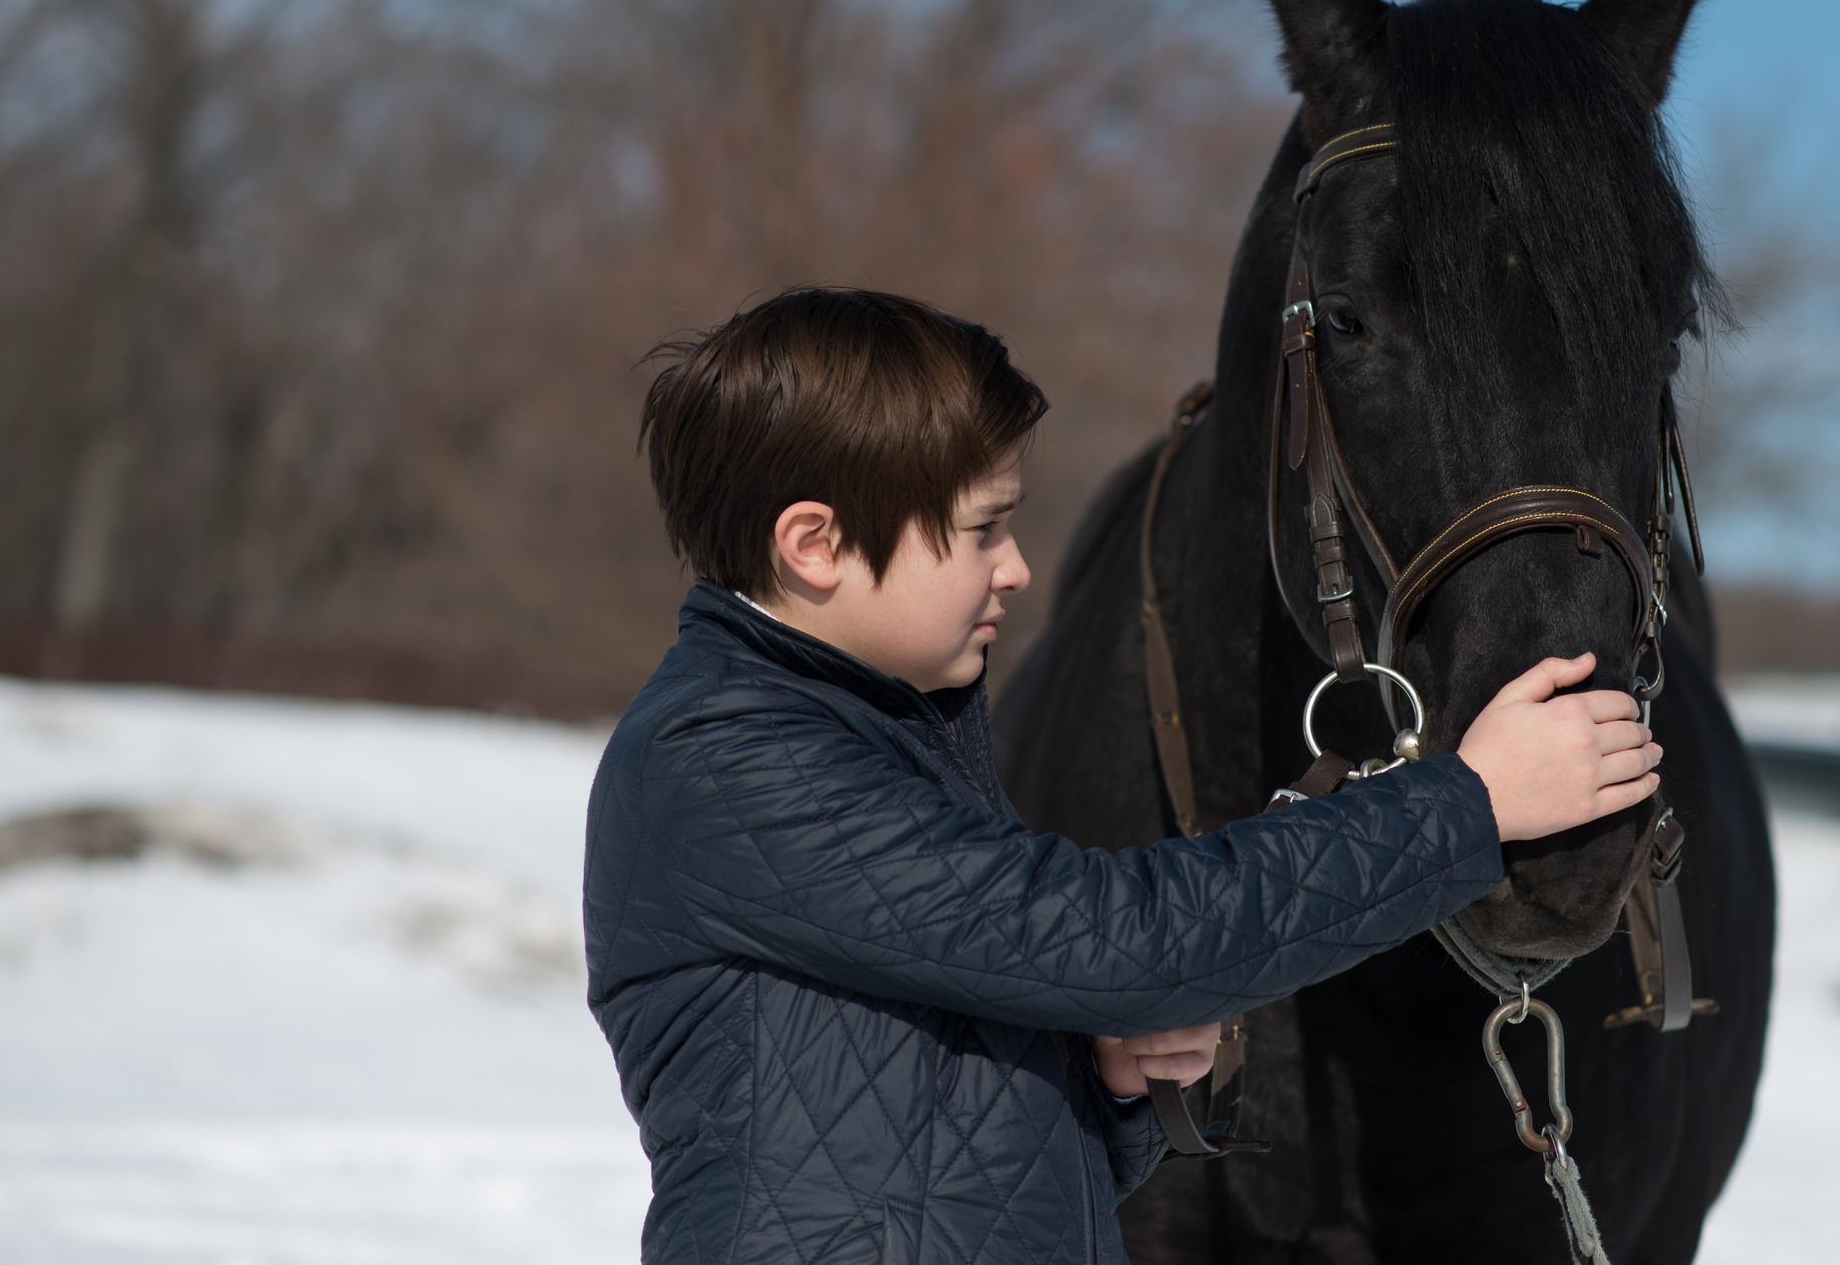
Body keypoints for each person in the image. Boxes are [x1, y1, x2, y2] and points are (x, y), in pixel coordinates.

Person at [583, 287, 1664, 1265]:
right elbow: (1116, 940)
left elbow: (954, 1180)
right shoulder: (725, 754)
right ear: (814, 545)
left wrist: (1108, 1095)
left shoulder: (884, 738)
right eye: (981, 528)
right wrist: (1464, 804)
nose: (1016, 566)